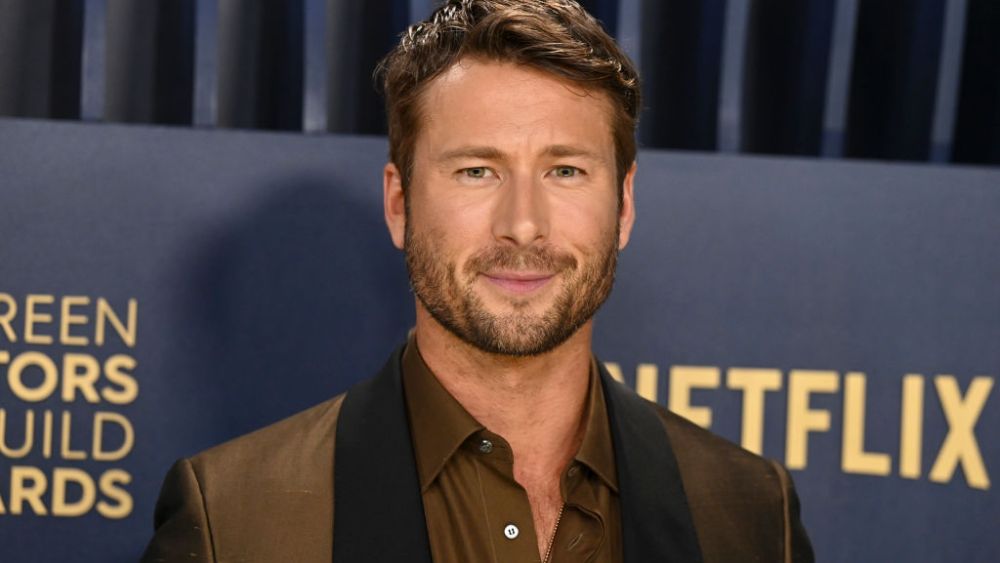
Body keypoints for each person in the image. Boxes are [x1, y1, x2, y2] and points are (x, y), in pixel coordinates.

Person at [142, 1, 814, 561]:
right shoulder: (234, 520)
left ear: (626, 205)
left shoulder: (751, 513)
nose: (523, 225)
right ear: (399, 204)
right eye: (476, 170)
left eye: (565, 171)